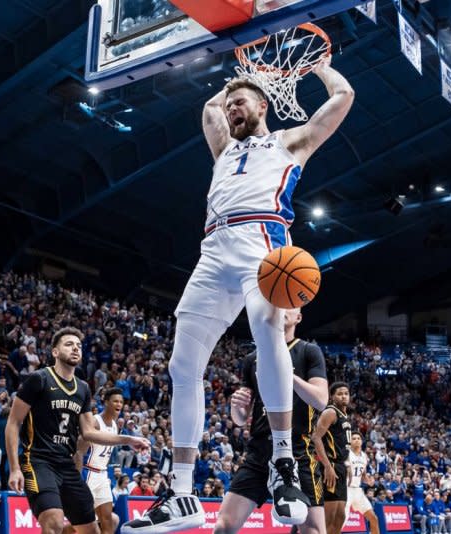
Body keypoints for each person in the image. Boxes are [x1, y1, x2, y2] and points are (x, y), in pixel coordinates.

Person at [120, 50, 354, 534]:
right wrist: (237, 77)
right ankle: (182, 491)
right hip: (213, 249)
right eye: (230, 107)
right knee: (182, 364)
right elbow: (207, 111)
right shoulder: (224, 148)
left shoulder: (291, 142)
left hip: (262, 246)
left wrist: (308, 66)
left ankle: (284, 464)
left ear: (264, 106)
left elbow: (343, 96)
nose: (231, 111)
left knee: (268, 330)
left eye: (241, 104)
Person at [5, 327, 150, 534]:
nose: (75, 348)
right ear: (55, 352)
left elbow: (89, 432)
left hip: (67, 464)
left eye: (79, 346)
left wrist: (127, 439)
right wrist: (15, 468)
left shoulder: (82, 388)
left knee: (91, 530)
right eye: (69, 344)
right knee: (54, 522)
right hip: (38, 461)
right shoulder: (39, 379)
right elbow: (13, 422)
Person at [213, 308, 328, 534]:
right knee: (223, 527)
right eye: (280, 304)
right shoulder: (252, 358)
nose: (284, 308)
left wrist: (287, 373)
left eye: (291, 305)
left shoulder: (308, 351)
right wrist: (237, 407)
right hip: (259, 452)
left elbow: (321, 400)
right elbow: (240, 420)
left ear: (299, 317)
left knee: (313, 531)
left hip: (298, 451)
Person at [68, 387, 125, 534]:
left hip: (102, 475)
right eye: (115, 401)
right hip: (87, 473)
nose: (119, 404)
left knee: (108, 521)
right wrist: (77, 480)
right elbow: (79, 452)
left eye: (121, 402)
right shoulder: (94, 422)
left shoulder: (115, 425)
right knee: (82, 525)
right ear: (106, 402)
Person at [311, 382, 351, 534]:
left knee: (340, 516)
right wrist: (327, 466)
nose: (344, 396)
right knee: (329, 516)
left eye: (346, 393)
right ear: (333, 397)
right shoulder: (330, 412)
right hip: (331, 466)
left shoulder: (344, 415)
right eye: (340, 393)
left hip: (340, 466)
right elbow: (316, 437)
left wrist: (347, 464)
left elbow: (341, 445)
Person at [345, 432, 380, 534]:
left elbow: (363, 475)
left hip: (357, 491)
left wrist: (369, 480)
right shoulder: (346, 454)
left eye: (358, 438)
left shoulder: (364, 456)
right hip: (346, 490)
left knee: (373, 518)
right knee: (340, 523)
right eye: (354, 438)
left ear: (361, 441)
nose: (356, 440)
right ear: (350, 442)